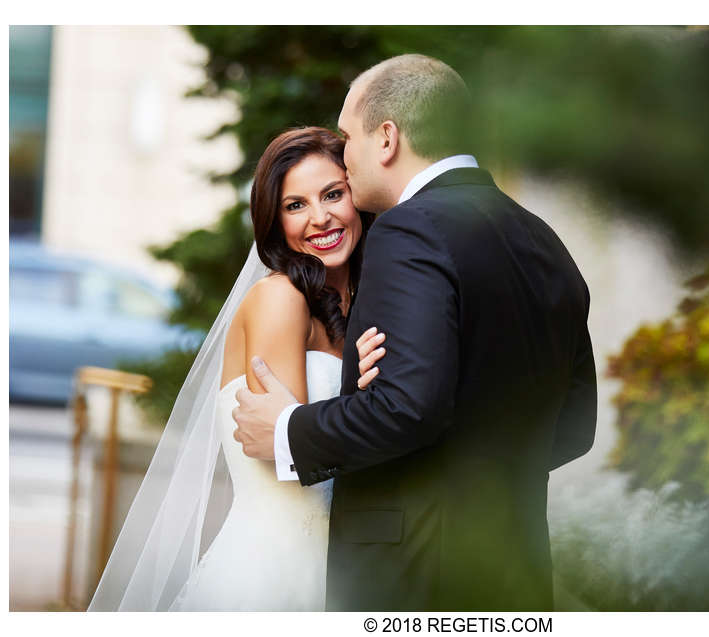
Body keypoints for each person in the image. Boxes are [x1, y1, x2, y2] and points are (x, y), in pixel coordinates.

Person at [233, 54, 598, 611]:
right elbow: (576, 425)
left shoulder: (410, 229)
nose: (346, 158)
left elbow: (410, 407)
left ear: (386, 139)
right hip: (514, 576)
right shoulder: (540, 238)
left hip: (412, 580)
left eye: (347, 137)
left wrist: (289, 432)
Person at [88, 126, 376, 611]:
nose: (320, 217)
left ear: (357, 196)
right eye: (295, 205)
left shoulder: (362, 308)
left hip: (335, 574)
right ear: (274, 221)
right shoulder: (279, 298)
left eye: (333, 194)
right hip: (269, 576)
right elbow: (289, 455)